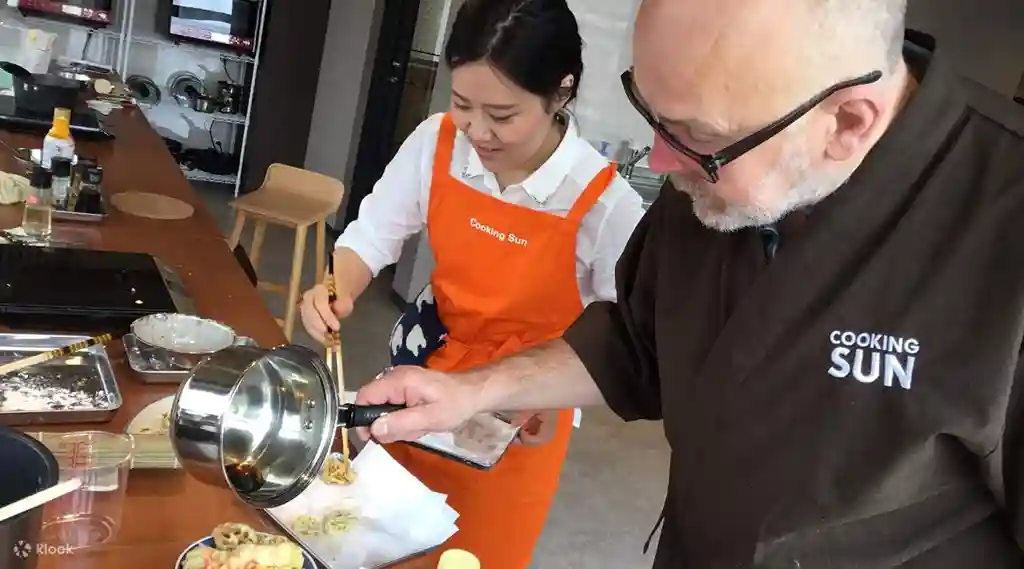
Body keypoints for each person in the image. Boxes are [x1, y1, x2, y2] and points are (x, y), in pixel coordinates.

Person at [356, 0, 1024, 567]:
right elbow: (634, 339)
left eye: (695, 136)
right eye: (653, 116)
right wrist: (474, 388)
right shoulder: (708, 174)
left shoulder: (999, 226)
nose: (660, 160)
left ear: (847, 123)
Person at [299, 0, 645, 566]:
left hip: (519, 412)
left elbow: (626, 343)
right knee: (380, 541)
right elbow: (374, 232)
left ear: (561, 92)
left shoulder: (605, 206)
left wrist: (552, 403)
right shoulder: (437, 142)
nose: (477, 131)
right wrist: (338, 285)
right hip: (423, 382)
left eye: (503, 115)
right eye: (462, 104)